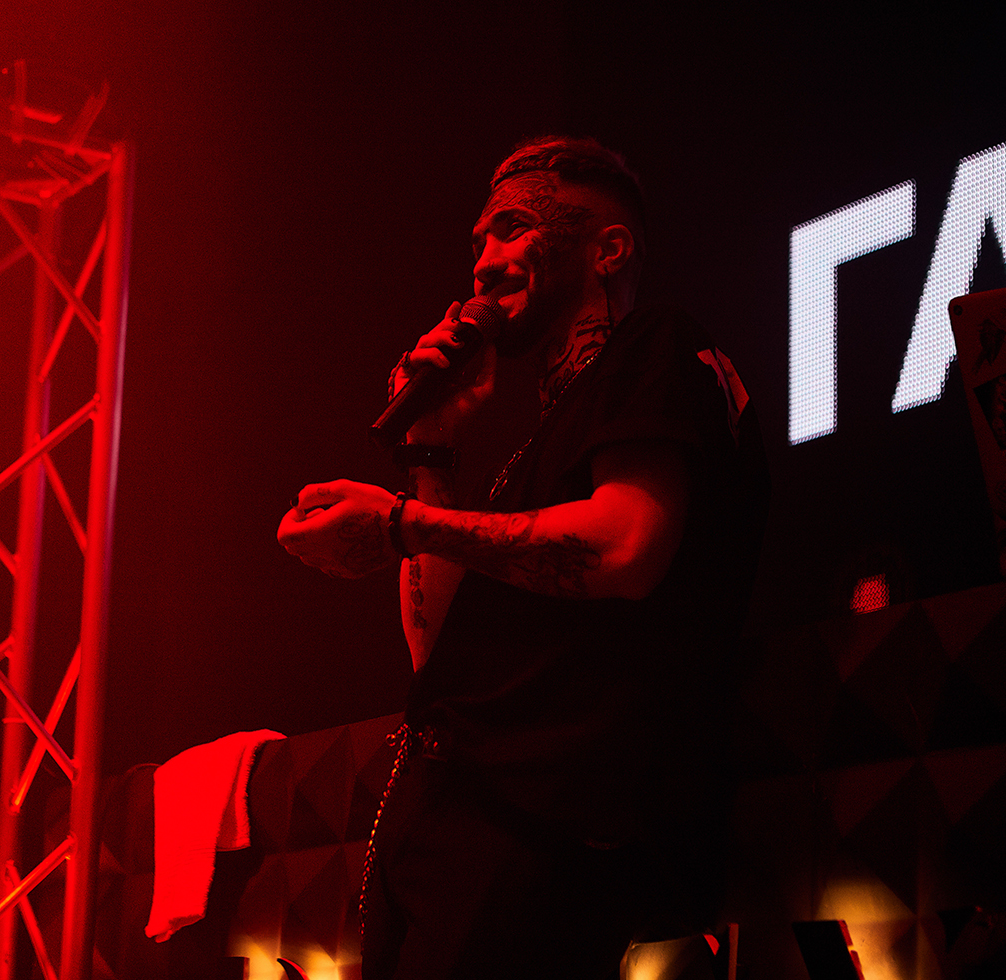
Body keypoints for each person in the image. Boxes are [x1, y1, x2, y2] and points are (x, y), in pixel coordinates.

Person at [277, 136, 769, 979]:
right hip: (446, 821)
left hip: (538, 828)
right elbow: (433, 651)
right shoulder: (534, 451)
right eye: (477, 242)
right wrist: (430, 454)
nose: (482, 261)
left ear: (607, 249)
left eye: (511, 230)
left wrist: (400, 525)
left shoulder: (657, 346)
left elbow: (625, 547)